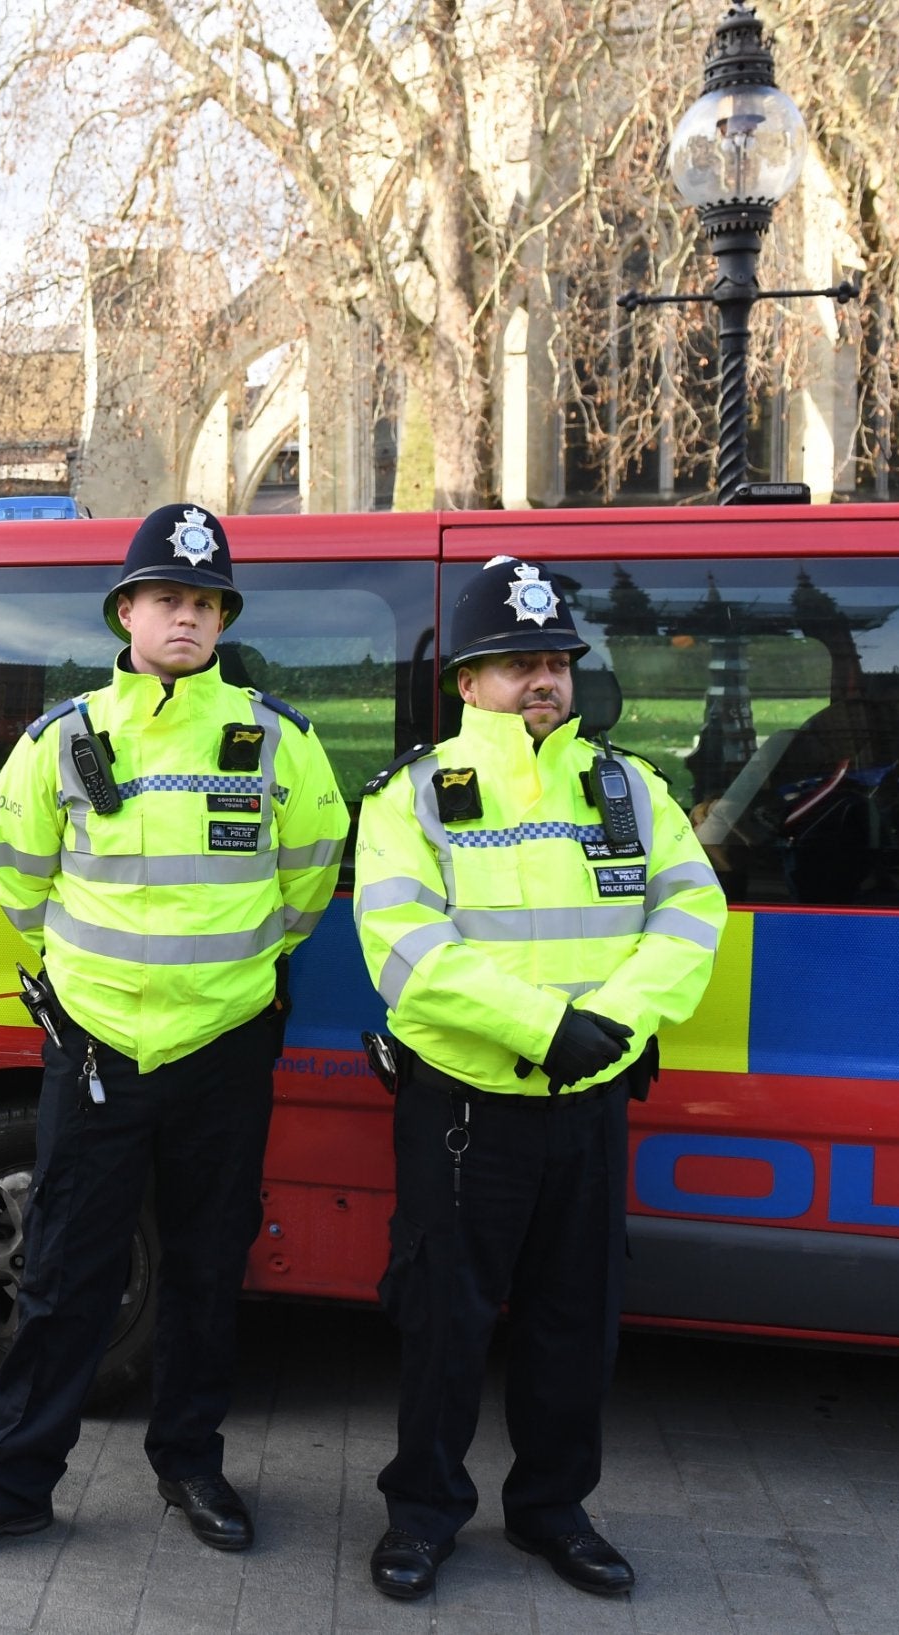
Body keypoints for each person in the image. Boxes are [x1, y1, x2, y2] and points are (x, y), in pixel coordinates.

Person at [0, 503, 347, 1561]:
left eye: (203, 601)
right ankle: (11, 1486)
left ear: (221, 615)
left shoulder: (276, 741)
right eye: (166, 598)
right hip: (96, 1047)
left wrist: (220, 983)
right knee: (60, 1273)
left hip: (224, 1049)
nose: (185, 616)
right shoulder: (62, 740)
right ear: (127, 613)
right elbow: (16, 876)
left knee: (203, 1271)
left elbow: (308, 881)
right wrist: (99, 976)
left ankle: (189, 1464)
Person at [353, 556, 727, 1601]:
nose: (542, 679)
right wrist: (543, 1027)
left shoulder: (626, 785)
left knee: (576, 1322)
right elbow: (404, 951)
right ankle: (422, 1515)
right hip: (463, 1114)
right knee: (443, 1324)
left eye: (554, 658)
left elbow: (693, 914)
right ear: (466, 683)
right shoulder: (410, 798)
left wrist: (610, 1021)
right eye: (515, 662)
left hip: (588, 1106)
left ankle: (552, 1511)